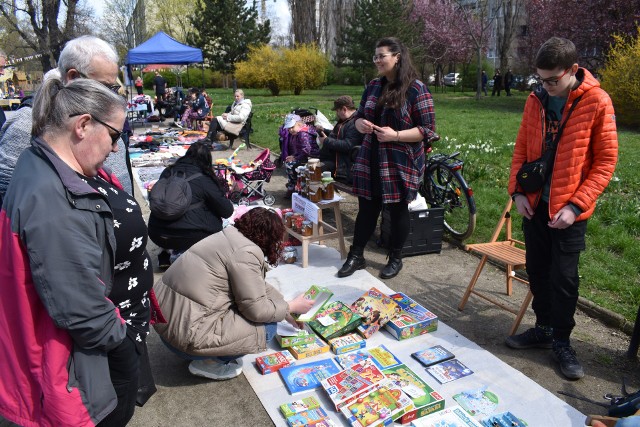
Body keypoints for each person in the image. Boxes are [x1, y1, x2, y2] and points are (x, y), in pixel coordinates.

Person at [0, 77, 154, 426]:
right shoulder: (54, 200)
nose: (116, 149)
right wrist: (124, 344)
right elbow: (81, 307)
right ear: (83, 125)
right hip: (90, 356)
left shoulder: (42, 165)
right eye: (114, 136)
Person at [506, 37, 618, 380]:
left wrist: (575, 205)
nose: (546, 85)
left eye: (552, 79)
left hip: (569, 212)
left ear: (572, 70)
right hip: (535, 205)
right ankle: (543, 329)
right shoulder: (536, 99)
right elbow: (522, 148)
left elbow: (605, 162)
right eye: (540, 78)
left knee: (564, 279)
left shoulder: (597, 101)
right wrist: (517, 193)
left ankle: (563, 342)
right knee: (537, 271)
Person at [153, 207, 315, 380]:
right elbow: (257, 310)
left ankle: (204, 354)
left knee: (261, 310)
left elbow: (256, 285)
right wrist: (291, 306)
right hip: (185, 338)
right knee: (268, 327)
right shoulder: (246, 253)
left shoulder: (227, 237)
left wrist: (285, 308)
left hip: (165, 324)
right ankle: (209, 364)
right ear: (269, 237)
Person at [337, 36, 436, 280]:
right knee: (367, 208)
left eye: (382, 56)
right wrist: (359, 123)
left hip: (399, 160)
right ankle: (356, 255)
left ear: (397, 57)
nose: (377, 60)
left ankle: (396, 257)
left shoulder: (416, 89)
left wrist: (396, 135)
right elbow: (359, 114)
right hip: (370, 157)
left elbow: (427, 130)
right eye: (375, 56)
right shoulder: (373, 86)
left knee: (398, 209)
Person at [0, 35, 134, 199]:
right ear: (73, 77)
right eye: (103, 87)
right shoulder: (27, 123)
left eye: (112, 88)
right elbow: (10, 196)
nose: (109, 95)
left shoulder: (106, 116)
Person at [148, 141, 234, 267]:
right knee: (213, 219)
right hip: (191, 236)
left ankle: (167, 252)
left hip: (157, 234)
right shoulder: (204, 179)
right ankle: (186, 254)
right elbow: (227, 211)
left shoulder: (168, 172)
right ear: (207, 160)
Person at [318, 95, 363, 183]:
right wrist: (324, 131)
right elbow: (340, 134)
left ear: (344, 109)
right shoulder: (347, 120)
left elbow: (348, 145)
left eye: (337, 111)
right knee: (311, 168)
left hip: (344, 167)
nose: (336, 114)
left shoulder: (355, 123)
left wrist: (326, 141)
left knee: (314, 170)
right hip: (336, 161)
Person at [283, 113, 320, 198]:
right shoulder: (299, 132)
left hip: (312, 157)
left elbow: (306, 150)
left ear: (299, 124)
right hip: (306, 156)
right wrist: (294, 155)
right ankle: (293, 184)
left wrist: (295, 157)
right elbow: (300, 149)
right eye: (289, 129)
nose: (290, 130)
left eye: (292, 127)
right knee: (289, 161)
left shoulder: (302, 134)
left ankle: (294, 186)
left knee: (290, 165)